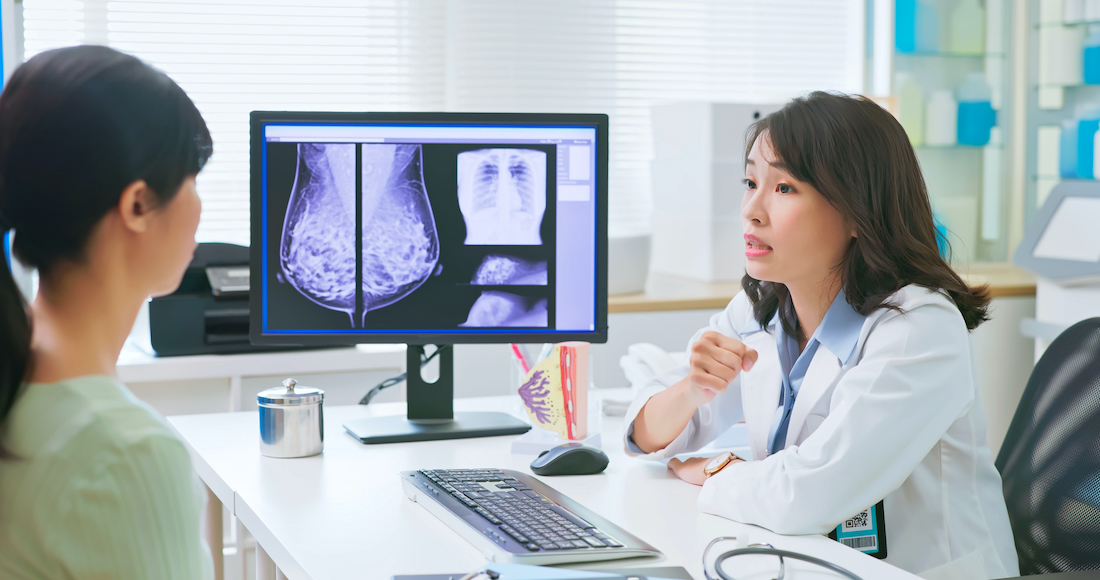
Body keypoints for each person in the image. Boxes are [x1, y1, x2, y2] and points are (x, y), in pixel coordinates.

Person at [624, 92, 1019, 578]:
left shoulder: (919, 327)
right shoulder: (761, 306)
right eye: (750, 182)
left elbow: (811, 494)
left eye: (785, 188)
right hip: (809, 561)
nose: (751, 209)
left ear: (857, 210)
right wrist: (690, 391)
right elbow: (645, 434)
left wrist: (714, 472)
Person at [0, 46, 215, 578]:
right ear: (137, 204)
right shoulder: (126, 454)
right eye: (192, 180)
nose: (199, 207)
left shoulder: (17, 374)